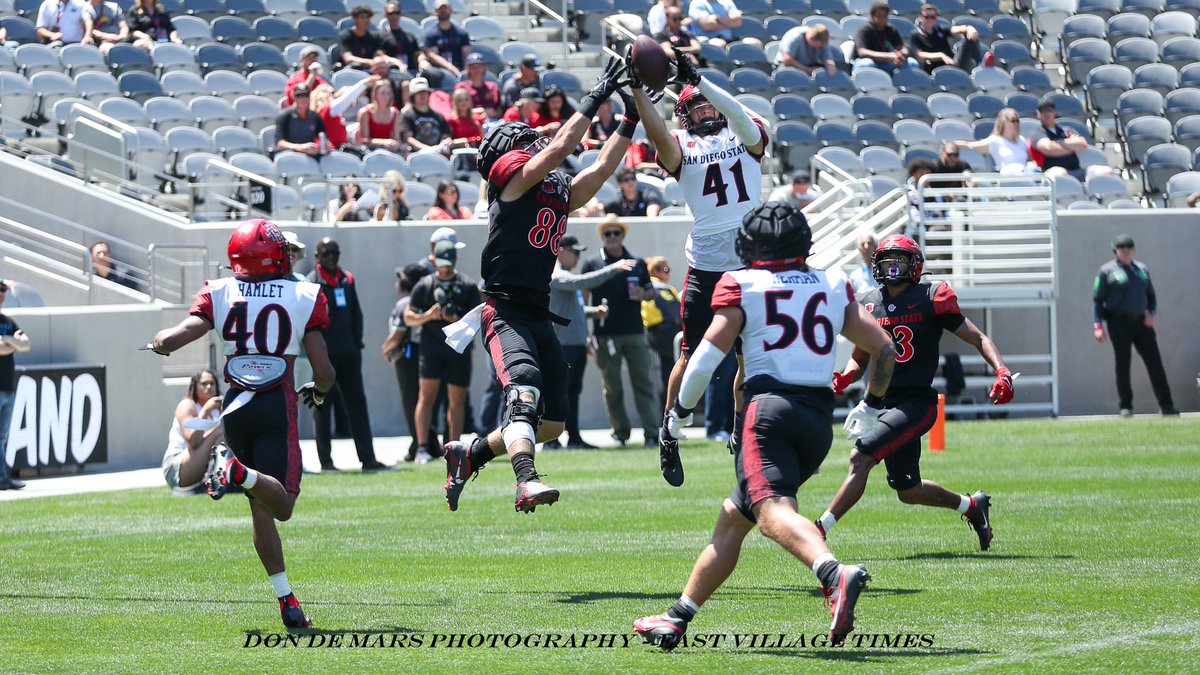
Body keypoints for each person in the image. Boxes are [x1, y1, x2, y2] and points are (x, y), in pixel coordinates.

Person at [632, 203, 897, 651]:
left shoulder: (741, 283)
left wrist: (679, 412)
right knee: (734, 519)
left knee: (772, 514)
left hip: (768, 412)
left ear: (751, 245)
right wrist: (871, 407)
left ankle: (835, 574)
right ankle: (677, 617)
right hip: (816, 419)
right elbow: (884, 349)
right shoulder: (833, 283)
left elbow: (702, 362)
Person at [441, 59, 634, 513]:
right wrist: (597, 94)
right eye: (530, 141)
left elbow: (602, 169)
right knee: (523, 390)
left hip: (536, 311)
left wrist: (629, 119)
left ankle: (469, 453)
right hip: (504, 310)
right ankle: (526, 480)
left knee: (552, 422)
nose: (539, 143)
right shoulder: (510, 184)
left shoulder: (550, 188)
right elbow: (560, 146)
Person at [146, 219, 336, 629]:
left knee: (259, 510)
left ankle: (287, 600)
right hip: (274, 403)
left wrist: (160, 341)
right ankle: (237, 472)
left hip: (235, 408)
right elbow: (324, 369)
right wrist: (320, 391)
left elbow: (177, 336)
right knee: (281, 505)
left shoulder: (219, 291)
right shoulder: (304, 293)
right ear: (273, 256)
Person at [628, 45, 769, 486]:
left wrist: (701, 80)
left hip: (750, 264)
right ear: (682, 115)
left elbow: (744, 119)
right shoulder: (680, 146)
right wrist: (638, 93)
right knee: (692, 355)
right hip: (708, 266)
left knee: (751, 356)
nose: (706, 111)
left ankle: (739, 429)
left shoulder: (744, 132)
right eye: (695, 106)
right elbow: (659, 138)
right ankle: (670, 431)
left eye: (710, 104)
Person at [818, 233, 1013, 552]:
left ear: (915, 265)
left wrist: (1002, 371)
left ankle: (820, 528)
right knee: (908, 490)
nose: (893, 267)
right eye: (887, 260)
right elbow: (860, 356)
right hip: (884, 405)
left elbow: (978, 337)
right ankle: (972, 506)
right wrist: (846, 377)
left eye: (900, 260)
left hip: (917, 403)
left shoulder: (931, 296)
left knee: (861, 457)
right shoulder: (867, 299)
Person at [545, 235, 637, 449]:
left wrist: (594, 313)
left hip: (575, 345)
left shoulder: (566, 275)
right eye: (575, 252)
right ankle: (551, 439)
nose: (578, 256)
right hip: (562, 346)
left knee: (572, 393)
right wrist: (614, 268)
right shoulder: (557, 275)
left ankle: (573, 437)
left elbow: (573, 312)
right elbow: (585, 282)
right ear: (560, 250)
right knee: (559, 394)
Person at [581, 216, 661, 447]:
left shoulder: (637, 262)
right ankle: (621, 433)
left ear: (623, 235)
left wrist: (643, 296)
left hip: (635, 332)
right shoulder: (592, 264)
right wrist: (587, 333)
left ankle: (651, 433)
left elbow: (650, 292)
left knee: (643, 383)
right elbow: (582, 299)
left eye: (617, 233)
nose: (613, 237)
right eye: (608, 233)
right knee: (612, 387)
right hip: (605, 335)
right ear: (602, 236)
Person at [308, 238, 385, 471]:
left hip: (349, 355)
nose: (331, 257)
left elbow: (356, 315)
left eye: (335, 253)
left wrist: (357, 345)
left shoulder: (347, 279)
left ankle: (368, 459)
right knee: (322, 408)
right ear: (317, 256)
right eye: (326, 253)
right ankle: (326, 462)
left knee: (357, 406)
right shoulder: (313, 284)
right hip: (324, 357)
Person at [405, 240, 481, 459]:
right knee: (426, 397)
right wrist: (429, 315)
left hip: (459, 351)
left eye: (448, 263)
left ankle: (454, 447)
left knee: (457, 400)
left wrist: (454, 319)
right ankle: (422, 447)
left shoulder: (467, 285)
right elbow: (409, 317)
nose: (445, 268)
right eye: (442, 263)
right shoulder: (425, 285)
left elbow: (477, 319)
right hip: (431, 350)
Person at [1092, 235, 1177, 416]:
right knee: (1123, 364)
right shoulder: (1106, 271)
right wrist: (1098, 325)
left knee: (1155, 364)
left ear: (1134, 249)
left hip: (1142, 323)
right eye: (1121, 247)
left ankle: (1167, 406)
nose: (1126, 250)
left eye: (1129, 246)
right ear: (1115, 250)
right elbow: (1097, 301)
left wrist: (1152, 314)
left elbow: (1151, 296)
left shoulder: (1142, 269)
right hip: (1118, 323)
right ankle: (1126, 406)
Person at [382, 264, 431, 461]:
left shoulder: (406, 304)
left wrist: (385, 348)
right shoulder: (426, 301)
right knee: (423, 400)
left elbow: (399, 333)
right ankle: (425, 442)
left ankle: (418, 443)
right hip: (423, 354)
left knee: (411, 401)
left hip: (408, 356)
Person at [162, 369, 224, 496]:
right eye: (204, 384)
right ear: (195, 387)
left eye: (212, 384)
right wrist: (206, 410)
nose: (209, 387)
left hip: (200, 463)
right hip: (176, 467)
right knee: (220, 431)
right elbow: (193, 441)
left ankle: (222, 479)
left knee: (225, 433)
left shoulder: (219, 409)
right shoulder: (187, 405)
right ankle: (217, 479)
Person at [1028, 99, 1114, 181]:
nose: (1047, 113)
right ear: (1038, 114)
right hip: (1053, 171)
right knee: (1061, 173)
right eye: (1043, 111)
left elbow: (1082, 145)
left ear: (1054, 112)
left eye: (1049, 110)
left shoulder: (1066, 130)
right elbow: (1049, 148)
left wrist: (1059, 142)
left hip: (1077, 170)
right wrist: (1071, 147)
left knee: (1106, 171)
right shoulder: (1038, 133)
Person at [0, 279, 31, 491]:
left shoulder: (8, 322)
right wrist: (13, 342)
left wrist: (7, 339)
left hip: (8, 386)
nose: (1, 294)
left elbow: (26, 344)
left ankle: (2, 476)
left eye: (3, 291)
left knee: (3, 436)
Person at [641, 256, 682, 410]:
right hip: (666, 332)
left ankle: (667, 408)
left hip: (658, 334)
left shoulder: (652, 286)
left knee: (667, 371)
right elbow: (674, 311)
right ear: (655, 271)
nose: (668, 273)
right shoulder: (660, 287)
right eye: (665, 269)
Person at [951, 108, 1037, 175]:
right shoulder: (995, 140)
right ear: (1004, 123)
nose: (1016, 124)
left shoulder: (1021, 140)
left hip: (1025, 173)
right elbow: (970, 145)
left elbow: (1030, 160)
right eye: (1013, 121)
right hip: (1008, 175)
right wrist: (952, 144)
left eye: (1018, 121)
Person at [908, 3, 983, 74]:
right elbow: (919, 54)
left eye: (933, 17)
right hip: (935, 69)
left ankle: (981, 66)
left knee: (970, 36)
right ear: (920, 17)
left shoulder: (940, 30)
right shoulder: (915, 35)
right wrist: (941, 56)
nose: (930, 19)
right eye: (927, 17)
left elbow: (958, 29)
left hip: (953, 64)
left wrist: (969, 28)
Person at [852, 2, 919, 75]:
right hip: (867, 61)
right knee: (867, 64)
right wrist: (889, 56)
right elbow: (862, 52)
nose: (882, 19)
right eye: (879, 16)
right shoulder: (865, 30)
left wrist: (900, 55)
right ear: (872, 16)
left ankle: (903, 85)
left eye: (885, 16)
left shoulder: (891, 29)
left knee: (912, 63)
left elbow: (902, 48)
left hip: (886, 62)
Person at [310, 78, 374, 153]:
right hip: (334, 153)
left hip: (338, 151)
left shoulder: (325, 112)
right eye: (333, 92)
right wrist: (364, 83)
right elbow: (345, 100)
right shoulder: (326, 109)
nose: (335, 95)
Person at [400, 77, 451, 154]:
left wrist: (445, 143)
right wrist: (428, 149)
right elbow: (408, 139)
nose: (422, 95)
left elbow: (445, 136)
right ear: (413, 95)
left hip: (438, 155)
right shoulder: (407, 115)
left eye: (425, 92)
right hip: (417, 155)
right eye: (419, 92)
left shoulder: (438, 116)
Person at [422, 0, 471, 79]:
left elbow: (466, 54)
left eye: (445, 8)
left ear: (451, 10)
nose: (443, 10)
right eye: (440, 8)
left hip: (460, 70)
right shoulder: (431, 34)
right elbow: (433, 56)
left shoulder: (461, 33)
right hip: (439, 73)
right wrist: (451, 68)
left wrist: (465, 72)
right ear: (435, 12)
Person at [274, 84, 326, 157]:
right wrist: (299, 147)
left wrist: (324, 147)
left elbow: (322, 138)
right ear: (294, 97)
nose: (303, 98)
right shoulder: (284, 116)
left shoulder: (316, 117)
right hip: (290, 155)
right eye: (299, 95)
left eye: (306, 95)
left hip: (310, 155)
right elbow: (280, 144)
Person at [338, 5, 395, 70]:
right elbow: (348, 59)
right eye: (362, 17)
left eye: (367, 17)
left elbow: (380, 55)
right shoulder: (346, 36)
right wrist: (372, 62)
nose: (366, 20)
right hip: (351, 72)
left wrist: (396, 61)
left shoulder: (374, 37)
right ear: (355, 19)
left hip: (371, 72)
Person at [356, 79, 404, 154]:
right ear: (375, 95)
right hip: (369, 151)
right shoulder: (365, 113)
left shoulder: (395, 113)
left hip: (389, 151)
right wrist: (383, 142)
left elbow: (397, 138)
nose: (386, 96)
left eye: (388, 93)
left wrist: (399, 145)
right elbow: (364, 140)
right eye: (383, 93)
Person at [688, 0, 760, 48]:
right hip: (709, 39)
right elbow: (707, 26)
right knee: (719, 44)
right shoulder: (697, 3)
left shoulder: (727, 1)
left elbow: (737, 22)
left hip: (729, 39)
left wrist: (717, 19)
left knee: (755, 43)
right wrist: (729, 20)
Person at [775, 24, 839, 75]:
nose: (820, 47)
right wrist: (808, 70)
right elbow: (788, 60)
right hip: (788, 68)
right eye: (819, 45)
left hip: (810, 66)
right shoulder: (794, 37)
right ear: (811, 39)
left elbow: (827, 57)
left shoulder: (822, 40)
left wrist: (831, 66)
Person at [453, 52, 501, 119]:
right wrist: (479, 111)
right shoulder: (461, 87)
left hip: (491, 122)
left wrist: (493, 113)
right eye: (473, 67)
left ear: (484, 68)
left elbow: (500, 110)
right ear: (468, 69)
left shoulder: (493, 87)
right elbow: (455, 110)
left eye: (479, 67)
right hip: (468, 122)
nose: (476, 70)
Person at [382, 0, 423, 75]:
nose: (394, 16)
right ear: (385, 15)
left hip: (411, 72)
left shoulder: (409, 36)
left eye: (397, 13)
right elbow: (380, 55)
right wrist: (397, 62)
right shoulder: (381, 36)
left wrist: (422, 61)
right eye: (390, 13)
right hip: (391, 73)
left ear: (401, 14)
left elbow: (418, 53)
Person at [846, 233, 879, 297]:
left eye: (869, 243)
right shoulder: (854, 276)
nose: (866, 247)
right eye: (863, 244)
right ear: (859, 249)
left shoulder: (883, 271)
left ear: (876, 246)